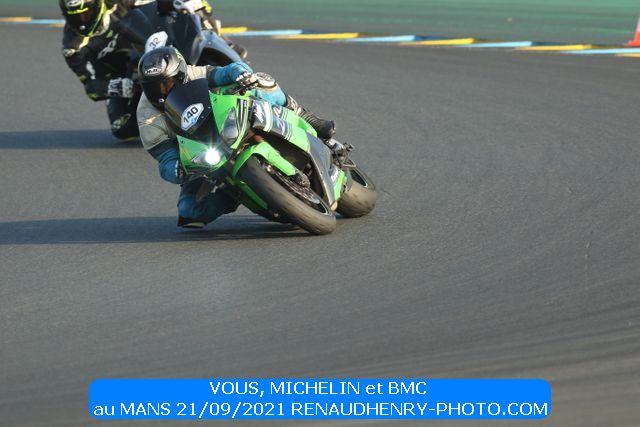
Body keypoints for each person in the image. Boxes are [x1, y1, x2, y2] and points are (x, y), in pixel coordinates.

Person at [136, 46, 336, 228]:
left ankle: (305, 117)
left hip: (229, 120)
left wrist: (241, 74)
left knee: (262, 81)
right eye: (154, 87)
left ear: (180, 73)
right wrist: (176, 169)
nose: (163, 91)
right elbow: (164, 156)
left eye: (167, 82)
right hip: (203, 155)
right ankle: (235, 194)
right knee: (190, 212)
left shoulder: (192, 74)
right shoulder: (147, 118)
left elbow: (226, 72)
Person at [59, 0, 246, 140]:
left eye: (87, 12)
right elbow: (91, 85)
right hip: (127, 74)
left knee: (190, 4)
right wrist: (116, 86)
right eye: (74, 16)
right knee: (122, 128)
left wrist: (177, 4)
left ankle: (222, 41)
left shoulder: (118, 2)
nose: (82, 20)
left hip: (157, 43)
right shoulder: (73, 48)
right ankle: (170, 126)